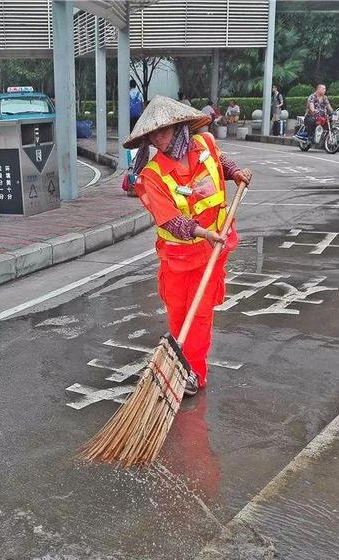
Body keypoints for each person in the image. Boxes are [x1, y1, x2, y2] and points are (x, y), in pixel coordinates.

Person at [126, 96, 252, 396]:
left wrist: (236, 173)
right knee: (179, 315)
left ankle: (193, 373)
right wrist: (202, 232)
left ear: (179, 126)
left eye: (164, 130)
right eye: (152, 134)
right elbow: (170, 220)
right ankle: (180, 363)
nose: (158, 138)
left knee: (200, 316)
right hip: (177, 258)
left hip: (212, 252)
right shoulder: (152, 175)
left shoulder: (204, 144)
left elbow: (219, 161)